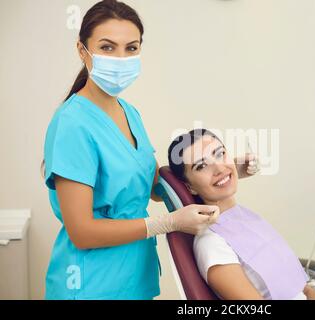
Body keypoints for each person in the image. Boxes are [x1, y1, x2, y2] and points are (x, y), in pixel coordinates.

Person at [42, 0, 256, 299]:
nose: (120, 57)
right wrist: (166, 223)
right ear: (83, 51)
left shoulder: (129, 113)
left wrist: (224, 169)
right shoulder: (72, 125)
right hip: (90, 284)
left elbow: (156, 185)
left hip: (134, 279)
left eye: (131, 48)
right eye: (107, 47)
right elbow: (82, 231)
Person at [168, 129, 315, 300]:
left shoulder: (245, 217)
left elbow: (303, 289)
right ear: (189, 187)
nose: (219, 168)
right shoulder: (212, 244)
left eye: (220, 154)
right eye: (202, 166)